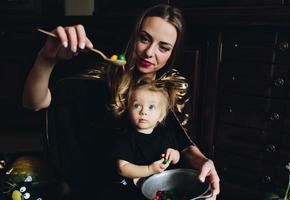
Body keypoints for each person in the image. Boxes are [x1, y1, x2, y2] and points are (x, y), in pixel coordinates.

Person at [23, 4, 220, 200]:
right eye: (144, 38)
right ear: (134, 37)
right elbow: (35, 103)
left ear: (172, 53)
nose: (149, 52)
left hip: (156, 185)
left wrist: (203, 161)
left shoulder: (173, 86)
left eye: (163, 47)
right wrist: (46, 59)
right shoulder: (104, 77)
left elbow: (181, 139)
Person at [113, 79, 181, 185]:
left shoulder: (165, 134)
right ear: (129, 110)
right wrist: (149, 169)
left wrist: (174, 155)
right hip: (133, 186)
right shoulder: (126, 136)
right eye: (137, 106)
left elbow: (177, 158)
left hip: (161, 184)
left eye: (151, 107)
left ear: (161, 116)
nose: (143, 112)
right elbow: (122, 168)